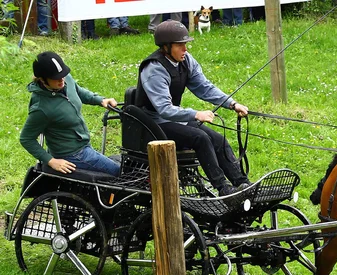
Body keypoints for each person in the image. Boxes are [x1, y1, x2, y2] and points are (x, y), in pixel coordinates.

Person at [136, 20, 251, 196]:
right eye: (180, 45)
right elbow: (164, 109)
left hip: (172, 119)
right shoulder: (154, 69)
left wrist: (232, 104)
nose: (185, 49)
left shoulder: (186, 60)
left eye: (186, 45)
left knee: (218, 139)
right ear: (166, 47)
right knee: (200, 137)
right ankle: (223, 188)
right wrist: (195, 114)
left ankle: (243, 185)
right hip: (152, 123)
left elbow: (204, 87)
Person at [20, 51, 120, 177]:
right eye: (56, 78)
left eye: (63, 75)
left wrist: (101, 100)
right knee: (118, 171)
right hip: (72, 154)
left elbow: (78, 91)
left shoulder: (65, 80)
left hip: (82, 144)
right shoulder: (41, 108)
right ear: (42, 79)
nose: (62, 80)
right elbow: (26, 138)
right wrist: (51, 161)